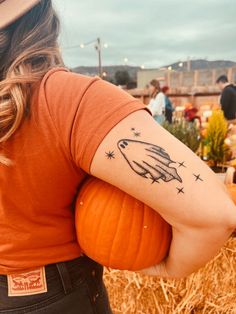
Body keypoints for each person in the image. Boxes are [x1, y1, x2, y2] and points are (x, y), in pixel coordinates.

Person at [0, 1, 235, 313]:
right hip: (54, 299)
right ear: (44, 18)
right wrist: (168, 268)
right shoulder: (65, 98)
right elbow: (213, 216)